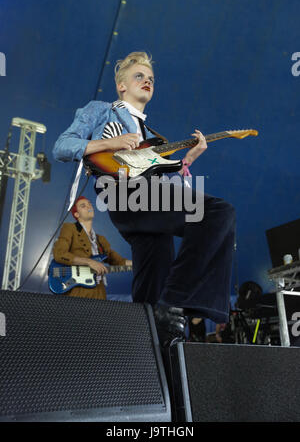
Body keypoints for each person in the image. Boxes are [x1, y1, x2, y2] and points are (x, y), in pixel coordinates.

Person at [53, 51, 236, 347]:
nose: (147, 81)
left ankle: (153, 345)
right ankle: (179, 300)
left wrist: (185, 162)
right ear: (121, 85)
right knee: (218, 212)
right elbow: (62, 146)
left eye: (151, 78)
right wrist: (110, 143)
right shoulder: (102, 110)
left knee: (153, 293)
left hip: (148, 204)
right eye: (139, 76)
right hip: (123, 194)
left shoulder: (152, 136)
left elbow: (158, 176)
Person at [52, 195, 132, 299]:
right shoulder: (70, 228)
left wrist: (138, 264)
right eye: (83, 205)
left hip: (99, 290)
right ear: (76, 214)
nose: (89, 206)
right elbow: (59, 254)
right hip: (78, 291)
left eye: (89, 204)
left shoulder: (100, 239)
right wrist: (89, 262)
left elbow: (118, 260)